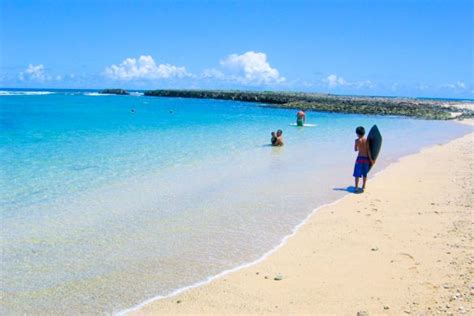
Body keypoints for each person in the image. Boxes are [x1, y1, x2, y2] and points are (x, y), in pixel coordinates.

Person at [353, 126, 374, 193]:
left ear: (357, 134)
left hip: (359, 159)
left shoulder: (356, 141)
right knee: (365, 173)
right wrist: (371, 160)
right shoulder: (366, 141)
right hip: (366, 159)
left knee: (357, 174)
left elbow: (355, 150)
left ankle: (356, 187)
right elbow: (368, 151)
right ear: (364, 133)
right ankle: (364, 186)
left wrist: (359, 148)